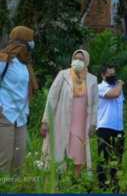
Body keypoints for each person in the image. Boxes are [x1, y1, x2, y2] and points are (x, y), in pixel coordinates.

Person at [40, 50, 98, 176]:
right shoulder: (63, 75)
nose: (78, 61)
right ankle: (55, 187)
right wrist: (46, 121)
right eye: (75, 58)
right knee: (58, 156)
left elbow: (94, 105)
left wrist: (92, 124)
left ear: (86, 61)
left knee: (77, 157)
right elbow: (52, 98)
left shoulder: (92, 80)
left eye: (81, 59)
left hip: (81, 126)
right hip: (62, 122)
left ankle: (73, 186)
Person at [0, 26, 38, 176]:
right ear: (23, 42)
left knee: (18, 162)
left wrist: (26, 110)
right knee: (4, 162)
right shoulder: (4, 59)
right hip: (5, 116)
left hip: (20, 118)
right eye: (30, 40)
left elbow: (24, 90)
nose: (32, 44)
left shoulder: (24, 63)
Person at [97, 64, 125, 192]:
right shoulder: (100, 87)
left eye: (114, 73)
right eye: (110, 75)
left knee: (117, 159)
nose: (113, 76)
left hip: (118, 128)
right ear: (103, 76)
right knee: (104, 159)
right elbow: (115, 94)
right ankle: (103, 187)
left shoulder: (117, 87)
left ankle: (115, 187)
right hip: (105, 128)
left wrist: (118, 85)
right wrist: (120, 84)